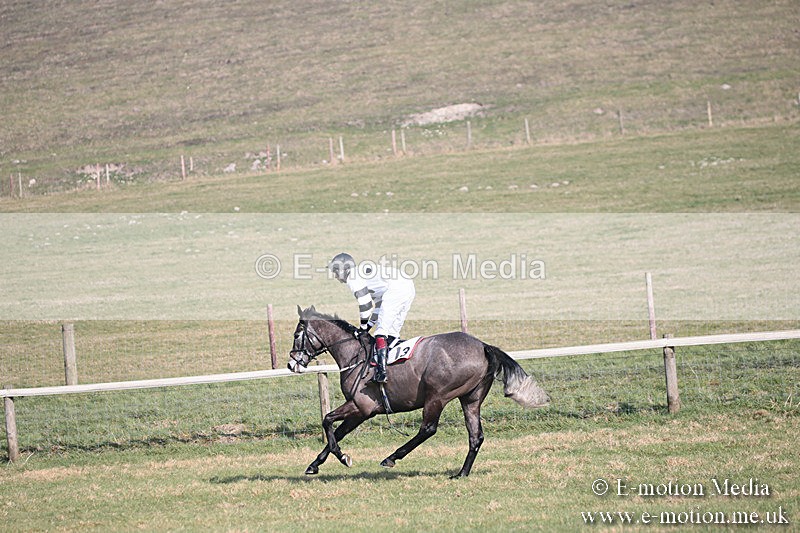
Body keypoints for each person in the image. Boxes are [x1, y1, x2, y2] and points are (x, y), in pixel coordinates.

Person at [328, 252, 415, 384]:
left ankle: (382, 372)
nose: (335, 275)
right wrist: (368, 326)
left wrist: (362, 328)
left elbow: (366, 305)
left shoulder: (353, 278)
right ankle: (395, 368)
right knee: (391, 334)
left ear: (344, 270)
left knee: (381, 332)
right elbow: (378, 307)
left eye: (335, 271)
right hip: (406, 286)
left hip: (397, 287)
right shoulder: (367, 279)